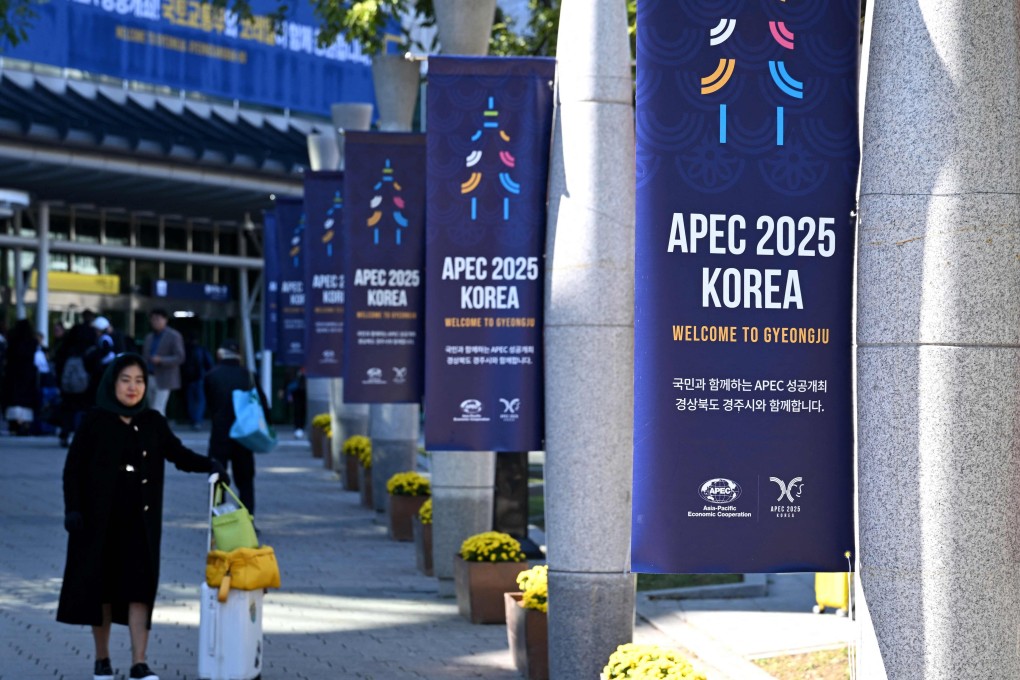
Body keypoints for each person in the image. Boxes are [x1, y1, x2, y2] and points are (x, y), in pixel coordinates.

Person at [57, 353, 229, 680]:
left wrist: (211, 465)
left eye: (139, 381)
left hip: (141, 523)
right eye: (126, 380)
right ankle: (102, 659)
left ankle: (139, 662)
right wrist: (73, 509)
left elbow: (178, 455)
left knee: (140, 589)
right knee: (103, 590)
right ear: (113, 383)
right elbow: (72, 470)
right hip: (98, 522)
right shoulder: (95, 421)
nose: (133, 387)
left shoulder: (152, 421)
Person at [204, 340, 269, 518]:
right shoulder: (248, 375)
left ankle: (218, 520)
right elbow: (263, 404)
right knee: (245, 481)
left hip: (220, 433)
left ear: (219, 355)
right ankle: (248, 519)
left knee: (217, 479)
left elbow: (210, 404)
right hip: (244, 435)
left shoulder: (211, 376)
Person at [140, 309, 185, 416]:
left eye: (158, 319)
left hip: (164, 377)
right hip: (149, 376)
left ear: (165, 320)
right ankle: (156, 430)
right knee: (152, 408)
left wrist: (161, 360)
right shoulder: (149, 337)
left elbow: (180, 357)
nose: (155, 322)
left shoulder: (174, 336)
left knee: (158, 408)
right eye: (153, 319)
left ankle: (159, 431)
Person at [1, 319, 40, 436]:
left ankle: (14, 424)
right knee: (26, 401)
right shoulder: (32, 342)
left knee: (14, 399)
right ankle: (25, 424)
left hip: (13, 375)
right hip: (28, 376)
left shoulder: (13, 341)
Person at [181, 333, 213, 430]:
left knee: (192, 400)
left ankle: (193, 419)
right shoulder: (201, 349)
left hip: (189, 379)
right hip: (200, 378)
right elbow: (209, 363)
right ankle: (197, 420)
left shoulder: (186, 350)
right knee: (200, 400)